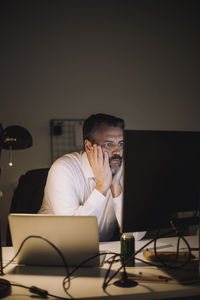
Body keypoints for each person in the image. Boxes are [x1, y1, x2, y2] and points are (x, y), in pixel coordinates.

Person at [39, 113, 124, 241]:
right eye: (108, 144)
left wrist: (116, 186)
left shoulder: (119, 168)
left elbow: (137, 235)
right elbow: (73, 234)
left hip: (102, 251)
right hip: (51, 248)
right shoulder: (63, 168)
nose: (117, 151)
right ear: (89, 147)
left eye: (121, 143)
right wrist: (101, 186)